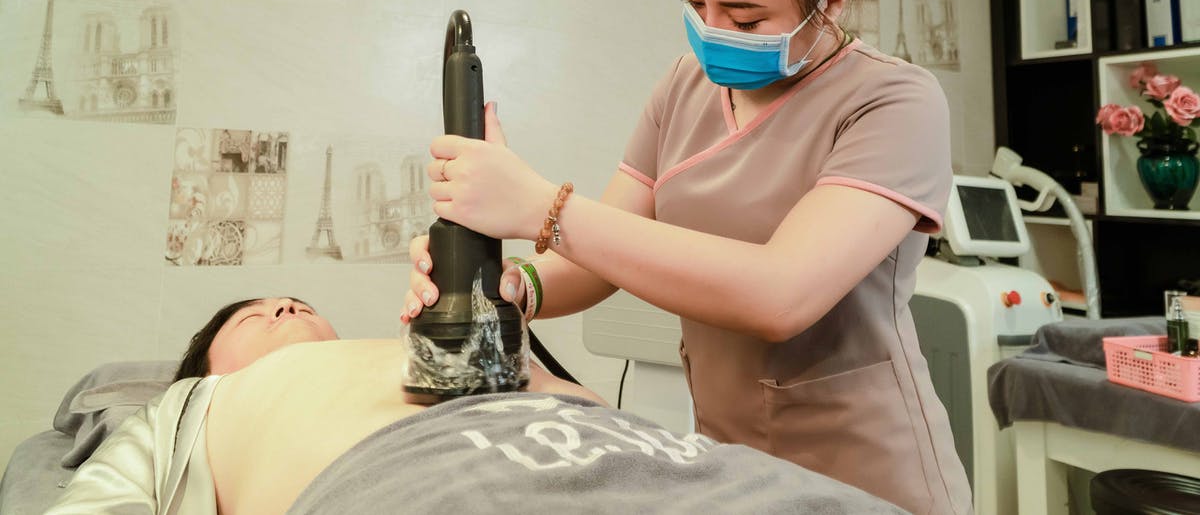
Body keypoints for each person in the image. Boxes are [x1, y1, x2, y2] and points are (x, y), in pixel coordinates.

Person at [404, 0, 971, 513]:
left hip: (865, 471)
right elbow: (598, 253)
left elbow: (780, 294)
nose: (713, 32)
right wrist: (505, 287)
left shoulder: (893, 102)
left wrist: (542, 207)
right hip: (727, 467)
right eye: (695, 2)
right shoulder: (683, 85)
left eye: (747, 18)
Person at [47, 297, 905, 514]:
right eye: (251, 313)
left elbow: (586, 407)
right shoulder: (199, 401)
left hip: (647, 461)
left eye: (299, 299)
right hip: (417, 484)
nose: (283, 307)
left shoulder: (409, 343)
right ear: (202, 362)